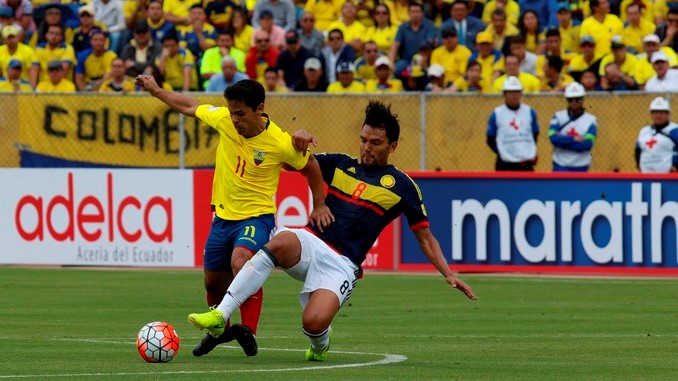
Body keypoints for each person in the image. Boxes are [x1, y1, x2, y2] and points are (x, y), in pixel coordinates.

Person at [186, 99, 477, 362]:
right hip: (311, 242)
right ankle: (220, 313)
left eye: (375, 142)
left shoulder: (403, 186)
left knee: (312, 323)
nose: (366, 147)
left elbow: (425, 237)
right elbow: (290, 162)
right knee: (281, 241)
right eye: (363, 140)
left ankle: (321, 344)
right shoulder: (340, 163)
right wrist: (296, 142)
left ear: (392, 147)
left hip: (342, 263)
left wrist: (448, 273)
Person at [134, 75, 332, 357]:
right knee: (212, 284)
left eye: (240, 114)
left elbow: (310, 165)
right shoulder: (224, 121)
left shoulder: (279, 142)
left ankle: (248, 330)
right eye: (231, 113)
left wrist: (319, 204)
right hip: (223, 219)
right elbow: (190, 106)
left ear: (259, 109)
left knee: (242, 262)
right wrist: (156, 91)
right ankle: (222, 331)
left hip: (257, 218)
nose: (235, 119)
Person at [486, 75, 539, 171]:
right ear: (504, 94)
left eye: (517, 92)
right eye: (510, 92)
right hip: (504, 164)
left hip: (525, 164)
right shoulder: (497, 114)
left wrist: (526, 152)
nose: (514, 95)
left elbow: (535, 134)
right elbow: (490, 139)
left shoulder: (529, 112)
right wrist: (503, 152)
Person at [548, 82, 598, 172]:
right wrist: (575, 139)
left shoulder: (591, 120)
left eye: (577, 99)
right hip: (560, 165)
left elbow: (587, 144)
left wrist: (562, 142)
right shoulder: (558, 117)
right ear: (567, 100)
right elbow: (553, 139)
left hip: (582, 166)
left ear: (582, 99)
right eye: (571, 99)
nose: (574, 102)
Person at [635, 96, 678, 173]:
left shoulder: (674, 130)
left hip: (668, 176)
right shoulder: (644, 131)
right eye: (655, 112)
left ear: (667, 114)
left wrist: (676, 165)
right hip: (646, 175)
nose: (658, 115)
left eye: (661, 112)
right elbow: (637, 150)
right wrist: (638, 165)